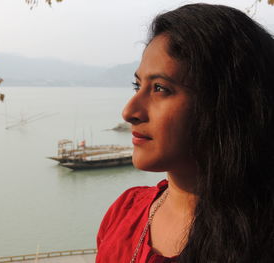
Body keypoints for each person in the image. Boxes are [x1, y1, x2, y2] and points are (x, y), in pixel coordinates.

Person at [96, 3, 274, 263]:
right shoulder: (124, 215)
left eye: (160, 88)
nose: (129, 111)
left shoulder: (262, 233)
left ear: (227, 103)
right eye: (137, 85)